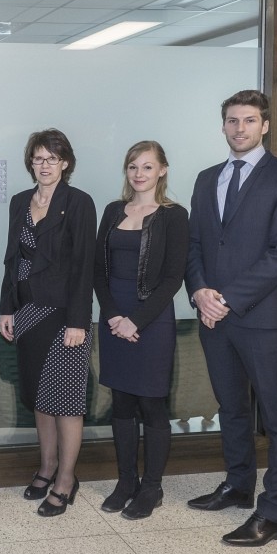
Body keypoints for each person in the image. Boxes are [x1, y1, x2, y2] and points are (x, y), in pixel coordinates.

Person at [185, 89, 277, 546]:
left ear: (266, 126)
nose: (240, 129)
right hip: (213, 317)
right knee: (231, 408)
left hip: (259, 316)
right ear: (223, 126)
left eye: (249, 120)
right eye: (232, 121)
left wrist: (228, 298)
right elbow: (195, 244)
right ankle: (239, 486)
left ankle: (273, 514)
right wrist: (200, 292)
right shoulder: (206, 178)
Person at [0, 128, 96, 517]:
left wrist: (79, 322)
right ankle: (46, 466)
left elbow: (84, 266)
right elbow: (11, 259)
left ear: (65, 163)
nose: (44, 165)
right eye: (38, 158)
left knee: (67, 401)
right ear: (31, 162)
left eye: (52, 158)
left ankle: (67, 480)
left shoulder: (78, 202)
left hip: (64, 317)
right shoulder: (20, 201)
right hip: (27, 314)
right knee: (40, 398)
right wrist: (7, 309)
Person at [93, 141, 189, 520]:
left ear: (162, 170)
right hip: (113, 318)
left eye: (148, 167)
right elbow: (97, 270)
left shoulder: (173, 215)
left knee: (151, 404)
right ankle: (125, 482)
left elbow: (173, 277)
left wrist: (136, 320)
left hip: (151, 320)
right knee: (121, 403)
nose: (139, 174)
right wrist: (115, 316)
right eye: (133, 166)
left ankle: (152, 487)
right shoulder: (113, 210)